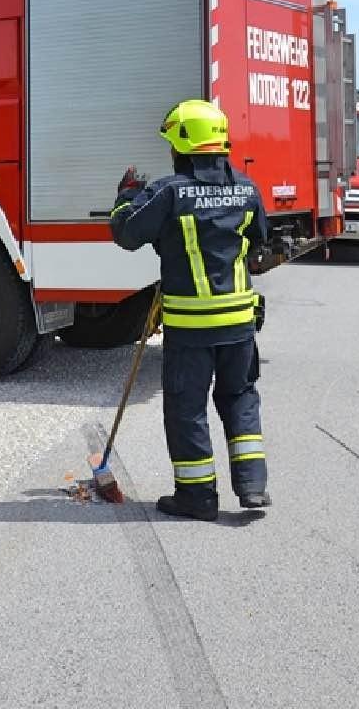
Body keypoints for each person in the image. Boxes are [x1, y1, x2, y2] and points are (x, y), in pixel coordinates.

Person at [109, 99, 270, 521]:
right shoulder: (247, 189)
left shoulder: (167, 192)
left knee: (187, 407)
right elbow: (259, 239)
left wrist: (126, 196)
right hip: (239, 321)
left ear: (182, 144)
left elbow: (126, 233)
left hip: (191, 326)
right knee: (239, 396)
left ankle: (198, 497)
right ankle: (253, 485)